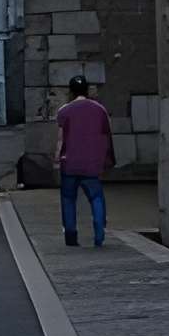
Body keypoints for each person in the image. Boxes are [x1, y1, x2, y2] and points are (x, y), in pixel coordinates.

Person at [53, 74, 115, 248]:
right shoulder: (99, 110)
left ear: (71, 91)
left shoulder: (64, 111)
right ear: (87, 90)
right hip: (91, 162)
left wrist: (57, 158)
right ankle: (99, 233)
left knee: (68, 198)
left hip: (70, 162)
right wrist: (106, 159)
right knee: (96, 197)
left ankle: (71, 236)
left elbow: (60, 139)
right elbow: (105, 137)